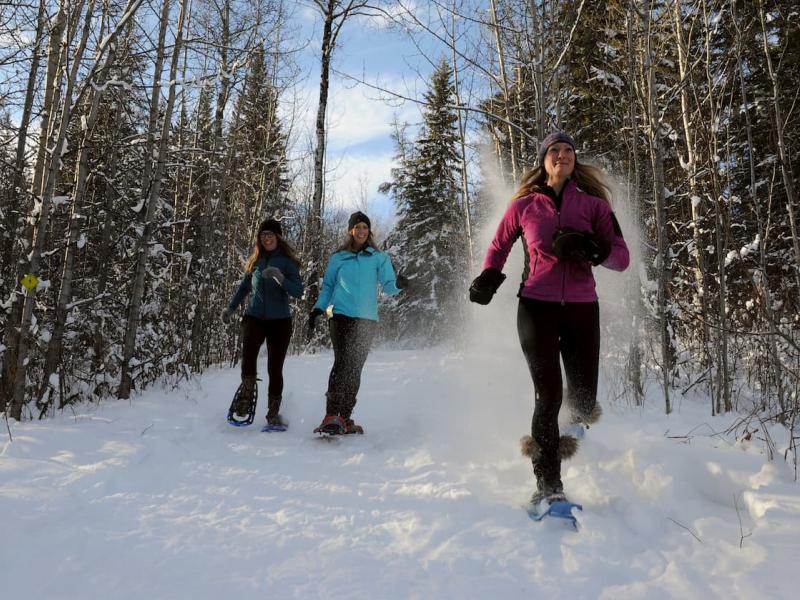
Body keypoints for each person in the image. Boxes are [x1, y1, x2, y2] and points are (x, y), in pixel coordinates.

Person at [469, 131, 630, 507]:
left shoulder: (595, 206)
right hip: (536, 307)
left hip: (581, 308)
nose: (562, 155)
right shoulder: (524, 205)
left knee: (584, 399)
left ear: (575, 159)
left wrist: (592, 249)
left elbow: (621, 258)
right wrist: (489, 276)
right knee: (549, 395)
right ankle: (548, 483)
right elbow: (499, 244)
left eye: (568, 150)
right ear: (543, 161)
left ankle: (568, 429)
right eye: (554, 150)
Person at [309, 211, 406, 435]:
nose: (361, 231)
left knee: (355, 368)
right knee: (342, 363)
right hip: (341, 316)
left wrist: (399, 285)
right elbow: (328, 286)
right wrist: (318, 308)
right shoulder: (338, 258)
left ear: (369, 231)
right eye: (357, 227)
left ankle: (344, 416)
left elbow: (389, 286)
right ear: (350, 230)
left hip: (366, 320)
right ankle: (331, 415)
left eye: (365, 227)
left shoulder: (378, 258)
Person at [222, 218, 303, 427]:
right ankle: (245, 399)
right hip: (254, 317)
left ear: (278, 237)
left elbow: (298, 291)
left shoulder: (287, 262)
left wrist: (280, 277)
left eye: (270, 234)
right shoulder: (255, 261)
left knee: (274, 368)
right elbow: (244, 288)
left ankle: (273, 412)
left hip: (280, 322)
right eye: (263, 235)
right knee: (248, 357)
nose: (266, 238)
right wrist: (230, 308)